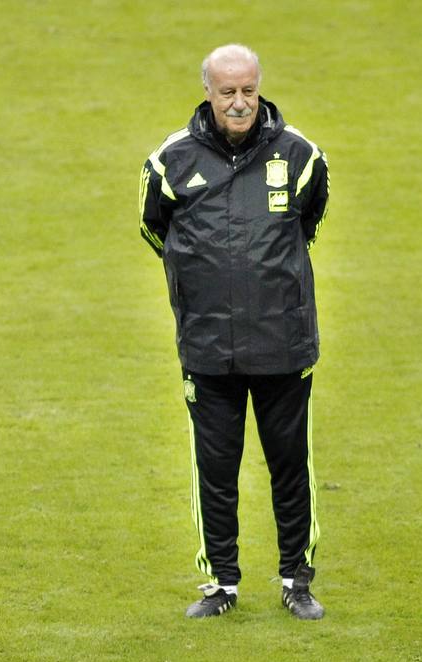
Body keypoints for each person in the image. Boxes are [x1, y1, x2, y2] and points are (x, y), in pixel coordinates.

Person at [139, 44, 329, 620]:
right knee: (214, 472)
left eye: (248, 90)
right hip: (208, 347)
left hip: (283, 344)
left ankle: (297, 578)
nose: (240, 102)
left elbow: (310, 221)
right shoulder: (169, 161)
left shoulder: (300, 155)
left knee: (290, 466)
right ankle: (222, 583)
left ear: (259, 87)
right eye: (228, 92)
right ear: (208, 92)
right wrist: (200, 286)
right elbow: (156, 231)